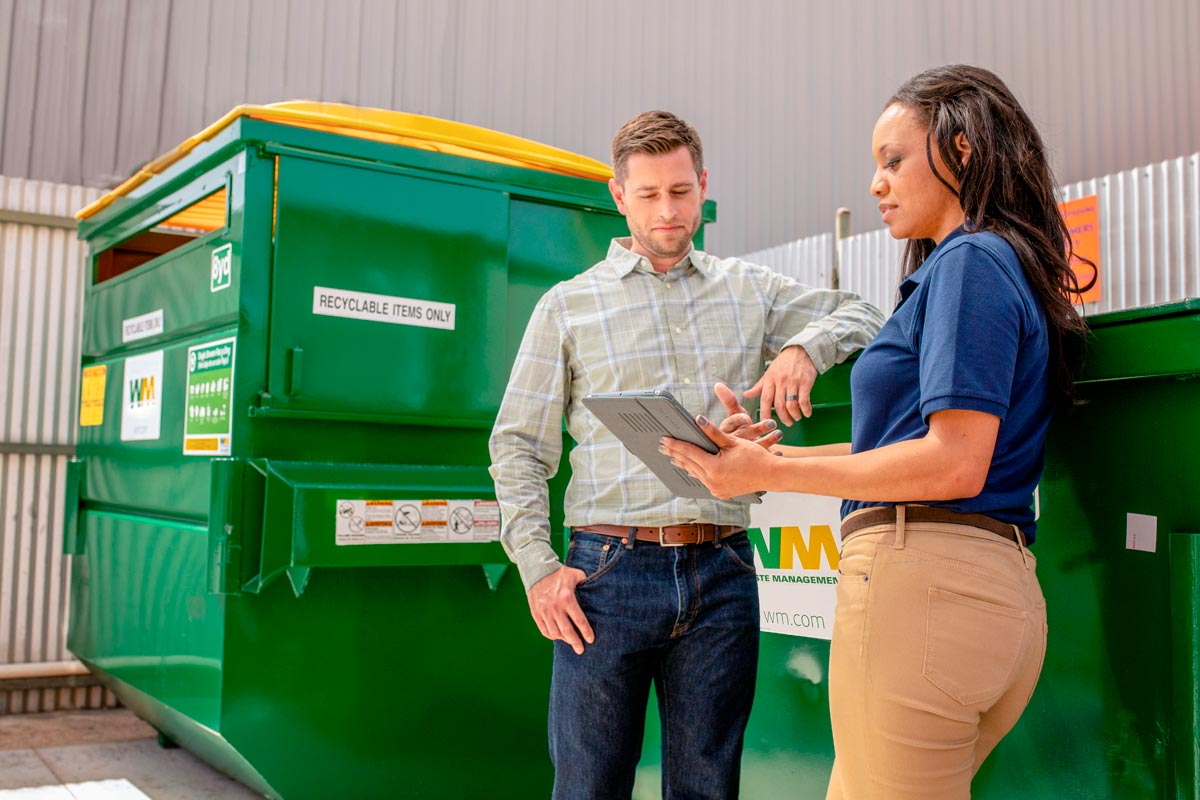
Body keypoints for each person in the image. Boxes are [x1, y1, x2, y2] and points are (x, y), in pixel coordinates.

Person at [662, 65, 1091, 799]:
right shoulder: (988, 266)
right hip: (974, 595)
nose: (876, 184)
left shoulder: (970, 264)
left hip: (923, 589)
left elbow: (952, 464)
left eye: (893, 160)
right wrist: (769, 456)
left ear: (959, 150)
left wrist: (766, 477)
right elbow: (904, 450)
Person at [489, 110, 883, 799]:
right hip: (604, 579)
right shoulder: (566, 307)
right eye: (647, 195)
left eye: (680, 191)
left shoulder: (750, 289)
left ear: (703, 185)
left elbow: (865, 312)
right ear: (619, 197)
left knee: (708, 786)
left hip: (722, 568)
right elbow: (518, 447)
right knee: (588, 786)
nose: (667, 211)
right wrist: (537, 569)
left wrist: (800, 349)